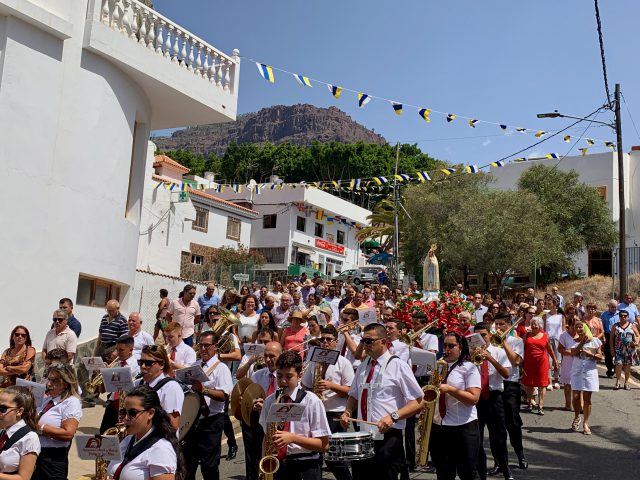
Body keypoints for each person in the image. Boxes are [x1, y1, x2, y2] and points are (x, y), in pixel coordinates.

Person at [340, 324, 423, 480]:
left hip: (388, 436)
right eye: (363, 340)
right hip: (363, 434)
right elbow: (354, 394)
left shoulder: (398, 365)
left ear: (383, 342)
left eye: (369, 341)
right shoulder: (363, 365)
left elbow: (418, 402)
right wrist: (347, 411)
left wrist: (393, 417)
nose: (365, 344)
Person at [259, 350, 331, 480]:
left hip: (305, 466)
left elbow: (324, 445)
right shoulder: (270, 401)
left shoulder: (312, 401)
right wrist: (265, 465)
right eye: (279, 376)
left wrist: (293, 438)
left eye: (289, 376)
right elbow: (266, 437)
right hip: (279, 466)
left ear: (300, 375)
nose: (283, 381)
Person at [301, 325, 354, 480]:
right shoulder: (313, 361)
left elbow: (351, 391)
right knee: (314, 457)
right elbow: (305, 385)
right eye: (322, 339)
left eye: (328, 339)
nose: (324, 342)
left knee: (334, 458)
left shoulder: (343, 363)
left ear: (336, 342)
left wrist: (332, 386)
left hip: (334, 413)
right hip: (316, 414)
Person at [426, 331, 480, 480]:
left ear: (461, 348)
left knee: (467, 473)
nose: (447, 349)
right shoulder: (437, 366)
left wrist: (450, 389)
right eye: (445, 345)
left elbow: (474, 398)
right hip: (439, 426)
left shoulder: (469, 368)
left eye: (452, 346)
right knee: (443, 473)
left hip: (462, 426)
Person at [183, 331, 233, 480]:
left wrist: (204, 389)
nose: (203, 349)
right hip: (193, 420)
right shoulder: (195, 365)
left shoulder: (221, 368)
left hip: (211, 421)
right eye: (201, 345)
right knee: (188, 465)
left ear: (215, 347)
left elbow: (224, 395)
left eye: (207, 345)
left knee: (209, 466)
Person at [107, 386, 183, 480]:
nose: (126, 418)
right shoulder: (127, 440)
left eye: (132, 413)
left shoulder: (161, 450)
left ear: (151, 413)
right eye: (123, 412)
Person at [471, 323, 513, 480]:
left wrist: (491, 359)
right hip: (477, 398)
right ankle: (478, 471)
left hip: (495, 398)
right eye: (477, 336)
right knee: (477, 437)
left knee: (499, 437)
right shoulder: (470, 353)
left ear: (489, 335)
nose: (481, 338)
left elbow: (507, 374)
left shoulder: (498, 351)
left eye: (483, 335)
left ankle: (504, 468)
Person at [241, 341, 282, 480]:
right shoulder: (257, 375)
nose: (268, 359)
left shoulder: (285, 376)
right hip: (260, 424)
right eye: (266, 356)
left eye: (272, 356)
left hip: (279, 426)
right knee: (256, 460)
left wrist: (265, 406)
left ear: (281, 356)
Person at [492, 314, 527, 472]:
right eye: (496, 324)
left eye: (502, 324)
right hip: (494, 384)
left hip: (510, 384)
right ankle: (499, 461)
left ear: (509, 325)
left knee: (512, 422)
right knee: (496, 425)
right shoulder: (491, 341)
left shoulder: (517, 341)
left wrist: (503, 342)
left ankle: (520, 454)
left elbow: (516, 362)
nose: (499, 328)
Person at [34, 364, 82, 479]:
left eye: (54, 381)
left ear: (65, 384)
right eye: (49, 379)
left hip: (52, 459)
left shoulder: (71, 402)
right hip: (37, 454)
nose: (49, 384)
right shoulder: (47, 398)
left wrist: (39, 428)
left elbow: (68, 433)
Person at [99, 335, 140, 434]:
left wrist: (111, 373)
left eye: (121, 350)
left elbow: (127, 386)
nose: (117, 353)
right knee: (104, 432)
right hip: (113, 403)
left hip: (125, 406)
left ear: (130, 350)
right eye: (117, 350)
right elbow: (102, 390)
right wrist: (103, 375)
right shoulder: (117, 364)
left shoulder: (135, 366)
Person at [137, 345, 184, 431]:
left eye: (148, 363)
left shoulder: (171, 387)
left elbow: (173, 425)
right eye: (140, 362)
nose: (143, 366)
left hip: (159, 441)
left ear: (161, 365)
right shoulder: (139, 383)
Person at [570, 320, 603, 435]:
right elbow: (573, 353)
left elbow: (600, 357)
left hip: (589, 372)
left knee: (587, 399)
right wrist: (581, 343)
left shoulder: (595, 341)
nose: (579, 329)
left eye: (581, 327)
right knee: (575, 397)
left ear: (585, 328)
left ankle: (586, 422)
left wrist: (590, 354)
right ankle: (577, 417)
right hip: (577, 371)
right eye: (576, 327)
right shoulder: (573, 341)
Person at [0, 386, 40, 477]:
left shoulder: (30, 438)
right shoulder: (3, 431)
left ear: (19, 411)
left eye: (2, 408)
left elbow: (24, 477)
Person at [522, 317, 558, 414]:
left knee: (542, 384)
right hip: (529, 363)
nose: (533, 326)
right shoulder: (527, 335)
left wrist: (555, 360)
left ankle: (540, 405)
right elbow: (522, 348)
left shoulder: (545, 336)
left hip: (542, 363)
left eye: (535, 324)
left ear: (540, 325)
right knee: (529, 384)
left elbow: (550, 349)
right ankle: (529, 402)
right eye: (532, 324)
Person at [610, 309, 639, 390]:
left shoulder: (632, 325)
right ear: (619, 316)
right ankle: (618, 382)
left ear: (628, 317)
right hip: (618, 349)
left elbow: (638, 335)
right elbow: (611, 338)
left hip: (629, 350)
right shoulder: (615, 326)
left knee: (627, 366)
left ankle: (626, 383)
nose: (623, 317)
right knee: (618, 364)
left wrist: (636, 342)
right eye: (621, 315)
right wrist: (612, 349)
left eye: (625, 316)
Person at [543, 297, 564, 389]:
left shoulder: (561, 316)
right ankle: (549, 381)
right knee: (549, 360)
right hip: (548, 339)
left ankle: (556, 379)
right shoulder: (545, 316)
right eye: (547, 303)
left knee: (558, 360)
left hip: (558, 340)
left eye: (550, 303)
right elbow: (543, 329)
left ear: (555, 305)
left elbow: (563, 330)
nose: (548, 305)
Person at [557, 317, 578, 411]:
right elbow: (559, 349)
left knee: (578, 385)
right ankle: (568, 404)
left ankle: (578, 404)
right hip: (567, 362)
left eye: (576, 327)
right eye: (572, 327)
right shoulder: (564, 335)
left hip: (579, 362)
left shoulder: (581, 335)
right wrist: (569, 352)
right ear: (568, 326)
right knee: (567, 385)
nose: (575, 329)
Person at [600, 299, 619, 378]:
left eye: (615, 307)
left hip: (617, 336)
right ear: (609, 306)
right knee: (608, 354)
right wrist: (603, 337)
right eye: (612, 307)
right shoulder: (604, 315)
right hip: (607, 335)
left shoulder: (620, 314)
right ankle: (609, 370)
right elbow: (602, 327)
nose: (614, 309)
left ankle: (616, 369)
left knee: (618, 353)